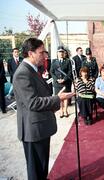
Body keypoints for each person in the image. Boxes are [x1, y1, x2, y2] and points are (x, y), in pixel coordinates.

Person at [12, 38, 74, 180]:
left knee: (42, 168)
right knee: (36, 171)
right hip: (32, 131)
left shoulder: (33, 70)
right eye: (42, 52)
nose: (45, 56)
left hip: (40, 128)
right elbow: (32, 103)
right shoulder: (23, 73)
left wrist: (55, 100)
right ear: (31, 53)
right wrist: (58, 99)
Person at [50, 46, 72, 118]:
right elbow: (52, 72)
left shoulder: (68, 61)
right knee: (59, 98)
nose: (61, 53)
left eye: (62, 52)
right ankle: (61, 111)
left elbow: (69, 71)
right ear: (57, 53)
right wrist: (56, 79)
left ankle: (65, 110)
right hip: (57, 83)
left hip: (65, 82)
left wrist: (64, 79)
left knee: (65, 97)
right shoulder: (54, 61)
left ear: (64, 53)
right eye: (59, 52)